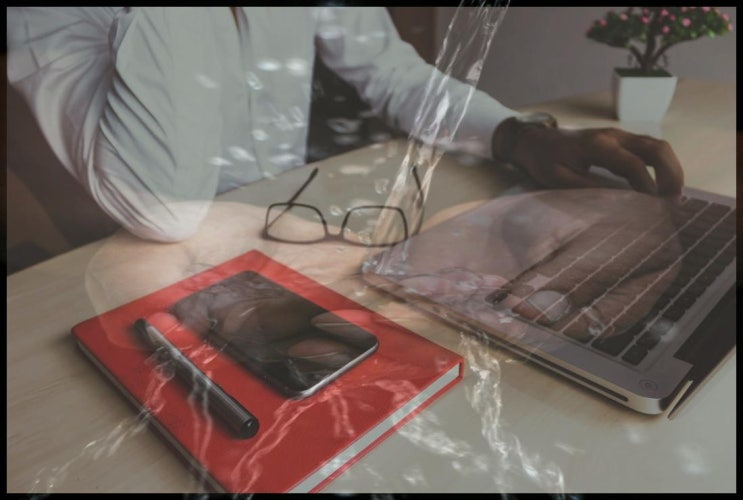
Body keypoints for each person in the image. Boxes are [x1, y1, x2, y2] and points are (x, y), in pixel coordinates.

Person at [6, 7, 684, 244]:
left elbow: (390, 70)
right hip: (109, 272)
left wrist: (517, 136)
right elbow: (164, 209)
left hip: (280, 235)